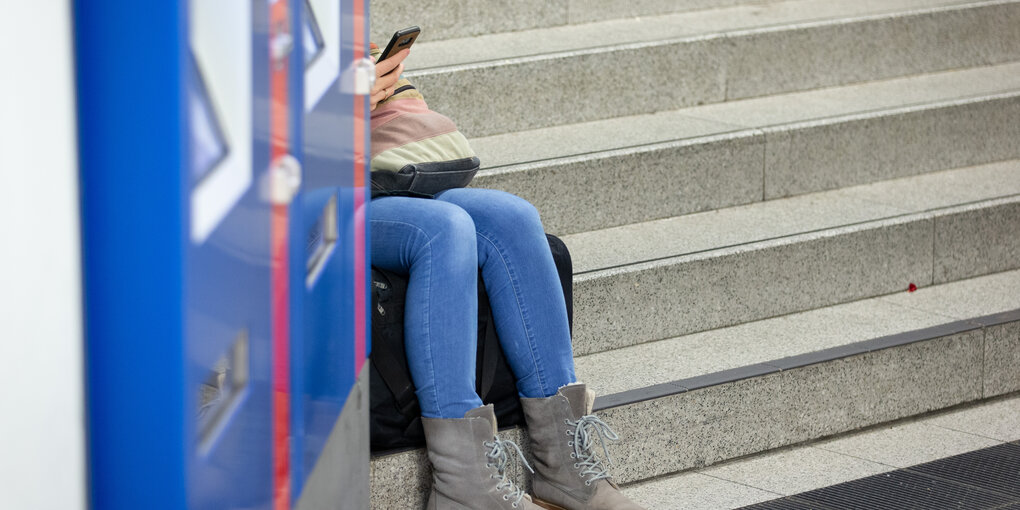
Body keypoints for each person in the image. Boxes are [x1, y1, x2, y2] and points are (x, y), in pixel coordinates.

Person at [370, 48, 646, 510]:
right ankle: (463, 484)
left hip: (373, 179)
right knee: (445, 230)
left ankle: (564, 466)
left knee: (512, 216)